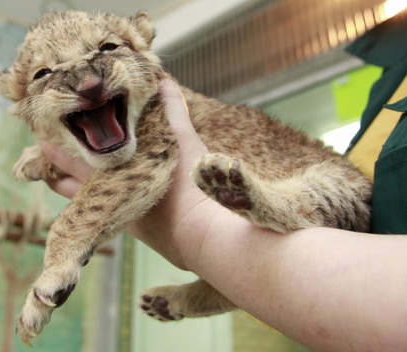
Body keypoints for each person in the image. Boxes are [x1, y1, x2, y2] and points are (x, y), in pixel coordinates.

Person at [37, 12, 407, 352]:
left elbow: (136, 172)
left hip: (323, 195)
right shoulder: (394, 63)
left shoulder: (159, 103)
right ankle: (221, 273)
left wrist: (197, 228)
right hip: (323, 267)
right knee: (272, 223)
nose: (86, 80)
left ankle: (263, 208)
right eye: (42, 74)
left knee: (327, 193)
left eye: (107, 48)